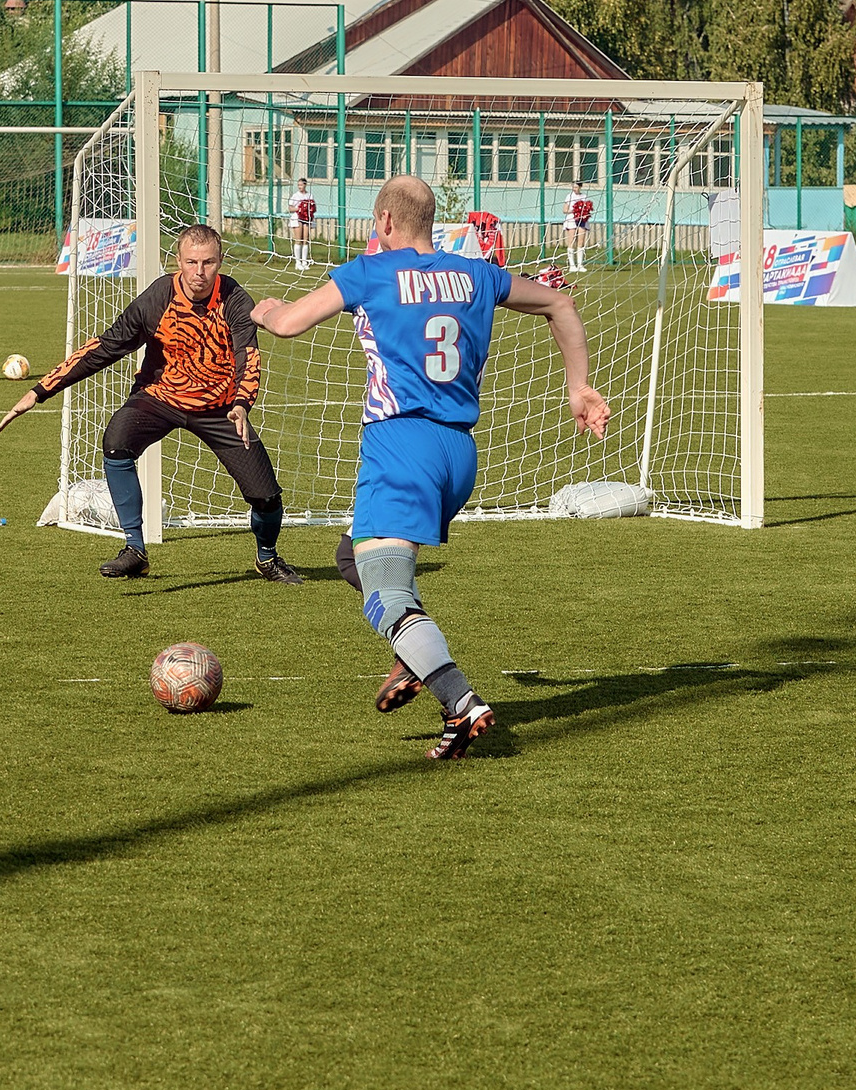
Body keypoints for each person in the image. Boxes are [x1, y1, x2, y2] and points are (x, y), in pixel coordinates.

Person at [252, 175, 609, 758]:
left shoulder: (370, 272)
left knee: (386, 596)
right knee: (352, 557)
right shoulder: (477, 273)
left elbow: (291, 322)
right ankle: (416, 659)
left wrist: (266, 310)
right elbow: (560, 304)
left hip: (401, 445)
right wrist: (578, 387)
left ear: (386, 222)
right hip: (458, 454)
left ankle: (460, 700)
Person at [0, 224, 303, 586]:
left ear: (220, 262)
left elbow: (247, 356)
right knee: (117, 440)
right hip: (160, 396)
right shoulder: (159, 297)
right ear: (178, 261)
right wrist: (40, 391)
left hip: (222, 407)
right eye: (191, 262)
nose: (199, 272)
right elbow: (108, 345)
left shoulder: (235, 299)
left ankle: (267, 557)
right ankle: (135, 550)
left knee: (265, 496)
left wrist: (241, 403)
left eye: (208, 263)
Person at [562, 184, 595, 275]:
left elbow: (587, 208)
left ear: (580, 187)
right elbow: (565, 210)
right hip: (572, 219)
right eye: (573, 187)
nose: (574, 189)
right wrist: (575, 210)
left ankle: (580, 264)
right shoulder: (569, 196)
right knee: (571, 241)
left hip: (582, 220)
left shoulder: (584, 196)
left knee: (581, 242)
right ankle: (572, 265)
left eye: (576, 187)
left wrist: (583, 213)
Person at [290, 178, 321, 272]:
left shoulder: (309, 195)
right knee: (298, 240)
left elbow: (313, 207)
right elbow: (290, 208)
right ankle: (298, 262)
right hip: (298, 218)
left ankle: (304, 262)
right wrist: (300, 209)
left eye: (301, 185)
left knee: (305, 240)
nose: (299, 187)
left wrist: (308, 210)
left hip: (307, 218)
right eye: (298, 185)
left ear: (305, 185)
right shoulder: (295, 195)